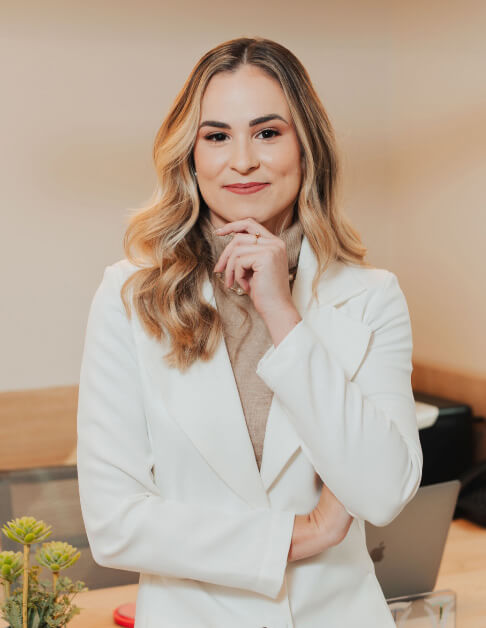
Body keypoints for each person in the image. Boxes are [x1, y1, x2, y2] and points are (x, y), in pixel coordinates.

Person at [76, 36, 423, 628]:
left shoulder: (370, 296)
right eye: (216, 136)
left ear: (306, 147)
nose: (242, 161)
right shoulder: (129, 295)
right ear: (191, 157)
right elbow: (115, 524)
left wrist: (282, 314)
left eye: (267, 132)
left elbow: (384, 490)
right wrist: (301, 534)